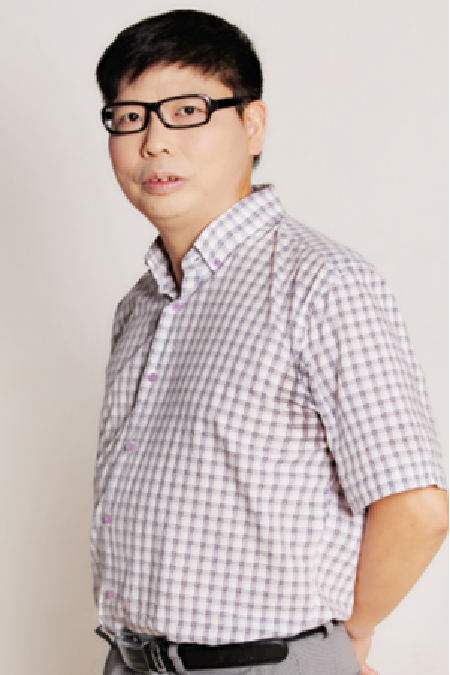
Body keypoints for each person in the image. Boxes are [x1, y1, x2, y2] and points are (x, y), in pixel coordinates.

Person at [91, 9, 448, 675]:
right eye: (130, 117)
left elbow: (416, 507)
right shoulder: (139, 306)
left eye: (187, 111)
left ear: (252, 124)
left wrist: (350, 635)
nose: (154, 142)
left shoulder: (322, 284)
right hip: (130, 660)